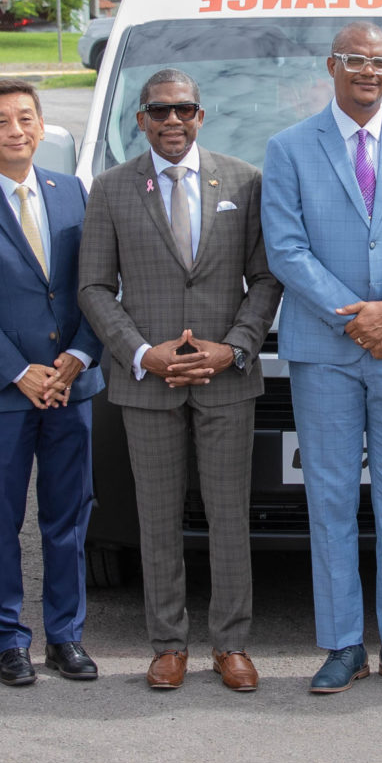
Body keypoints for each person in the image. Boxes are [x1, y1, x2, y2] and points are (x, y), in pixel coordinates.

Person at [260, 21, 382, 696]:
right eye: (355, 59)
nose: (369, 71)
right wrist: (356, 318)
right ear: (331, 65)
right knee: (331, 498)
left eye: (380, 61)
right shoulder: (289, 148)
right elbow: (286, 248)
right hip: (326, 349)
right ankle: (343, 643)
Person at [77, 69, 282, 692]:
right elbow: (94, 286)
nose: (173, 121)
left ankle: (232, 645)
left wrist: (234, 348)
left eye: (184, 110)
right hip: (149, 383)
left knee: (228, 516)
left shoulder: (244, 182)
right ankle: (168, 645)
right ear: (141, 119)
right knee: (157, 518)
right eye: (160, 111)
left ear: (200, 116)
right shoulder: (111, 188)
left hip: (226, 379)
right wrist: (142, 353)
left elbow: (266, 278)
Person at [0, 80, 105, 687]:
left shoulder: (72, 192)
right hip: (1, 391)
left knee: (68, 517)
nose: (16, 130)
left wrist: (79, 356)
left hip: (71, 385)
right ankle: (9, 640)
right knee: (0, 520)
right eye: (2, 121)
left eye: (26, 118)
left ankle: (65, 636)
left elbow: (96, 284)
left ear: (40, 127)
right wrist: (19, 371)